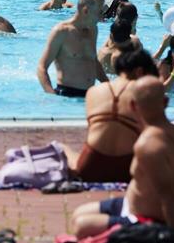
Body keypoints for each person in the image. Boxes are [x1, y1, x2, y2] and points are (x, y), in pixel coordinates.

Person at [69, 76, 174, 238]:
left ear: (132, 106)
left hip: (150, 220)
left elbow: (168, 195)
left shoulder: (149, 144)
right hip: (131, 206)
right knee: (78, 213)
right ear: (165, 102)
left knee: (81, 226)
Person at [61, 49, 157, 183]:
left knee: (62, 148)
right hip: (128, 170)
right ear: (140, 72)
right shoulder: (143, 92)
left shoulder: (93, 91)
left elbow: (92, 130)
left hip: (89, 168)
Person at [37, 0, 107, 97]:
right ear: (85, 11)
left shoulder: (93, 30)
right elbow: (42, 67)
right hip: (66, 95)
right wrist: (51, 95)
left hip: (89, 94)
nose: (102, 18)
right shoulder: (61, 31)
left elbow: (93, 61)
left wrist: (109, 87)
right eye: (99, 12)